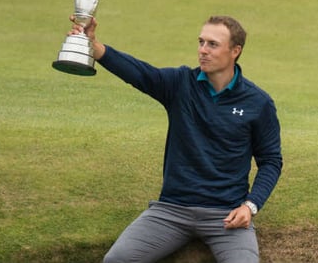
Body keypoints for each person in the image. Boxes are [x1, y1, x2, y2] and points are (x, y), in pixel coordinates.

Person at [67, 15, 283, 263]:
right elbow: (139, 73)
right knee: (116, 260)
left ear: (235, 51)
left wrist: (250, 206)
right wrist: (95, 48)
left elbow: (271, 161)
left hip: (226, 216)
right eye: (201, 42)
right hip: (171, 211)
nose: (202, 50)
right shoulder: (180, 84)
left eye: (212, 44)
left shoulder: (258, 102)